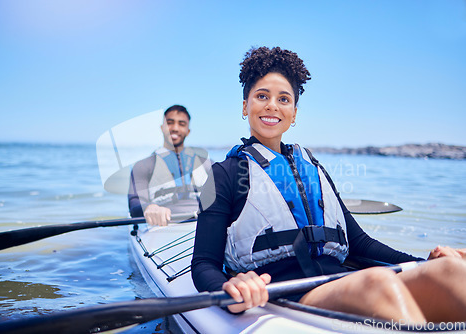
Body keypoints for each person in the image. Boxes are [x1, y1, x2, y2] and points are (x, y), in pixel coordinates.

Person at [191, 46, 466, 323]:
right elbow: (204, 264)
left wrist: (421, 261)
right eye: (262, 96)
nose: (272, 105)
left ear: (294, 113)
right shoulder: (222, 175)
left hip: (340, 279)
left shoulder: (313, 167)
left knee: (452, 270)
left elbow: (359, 243)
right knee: (376, 284)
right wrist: (231, 290)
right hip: (287, 292)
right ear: (245, 106)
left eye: (283, 99)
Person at [128, 105, 211, 226]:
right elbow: (135, 204)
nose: (175, 128)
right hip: (163, 226)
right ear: (162, 128)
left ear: (188, 131)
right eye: (170, 123)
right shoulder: (143, 166)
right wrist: (149, 207)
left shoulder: (207, 164)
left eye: (181, 124)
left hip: (203, 223)